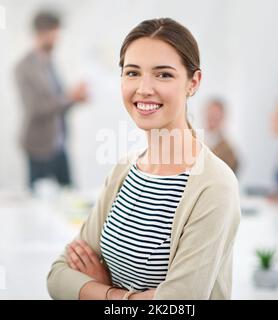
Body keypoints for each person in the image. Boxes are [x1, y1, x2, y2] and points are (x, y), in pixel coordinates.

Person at [47, 18, 241, 300]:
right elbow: (58, 276)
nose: (144, 88)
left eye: (163, 75)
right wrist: (123, 295)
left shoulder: (215, 185)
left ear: (193, 82)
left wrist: (103, 289)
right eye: (132, 72)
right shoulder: (124, 170)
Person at [15, 10, 87, 190]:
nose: (57, 38)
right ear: (42, 32)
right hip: (39, 147)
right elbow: (35, 108)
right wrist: (69, 97)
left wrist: (75, 99)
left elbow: (58, 102)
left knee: (70, 195)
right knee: (39, 200)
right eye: (55, 33)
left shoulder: (51, 63)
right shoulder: (24, 67)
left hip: (60, 144)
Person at [203, 98, 239, 174]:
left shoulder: (228, 151)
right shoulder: (195, 139)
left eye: (215, 116)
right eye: (210, 114)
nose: (211, 119)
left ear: (222, 118)